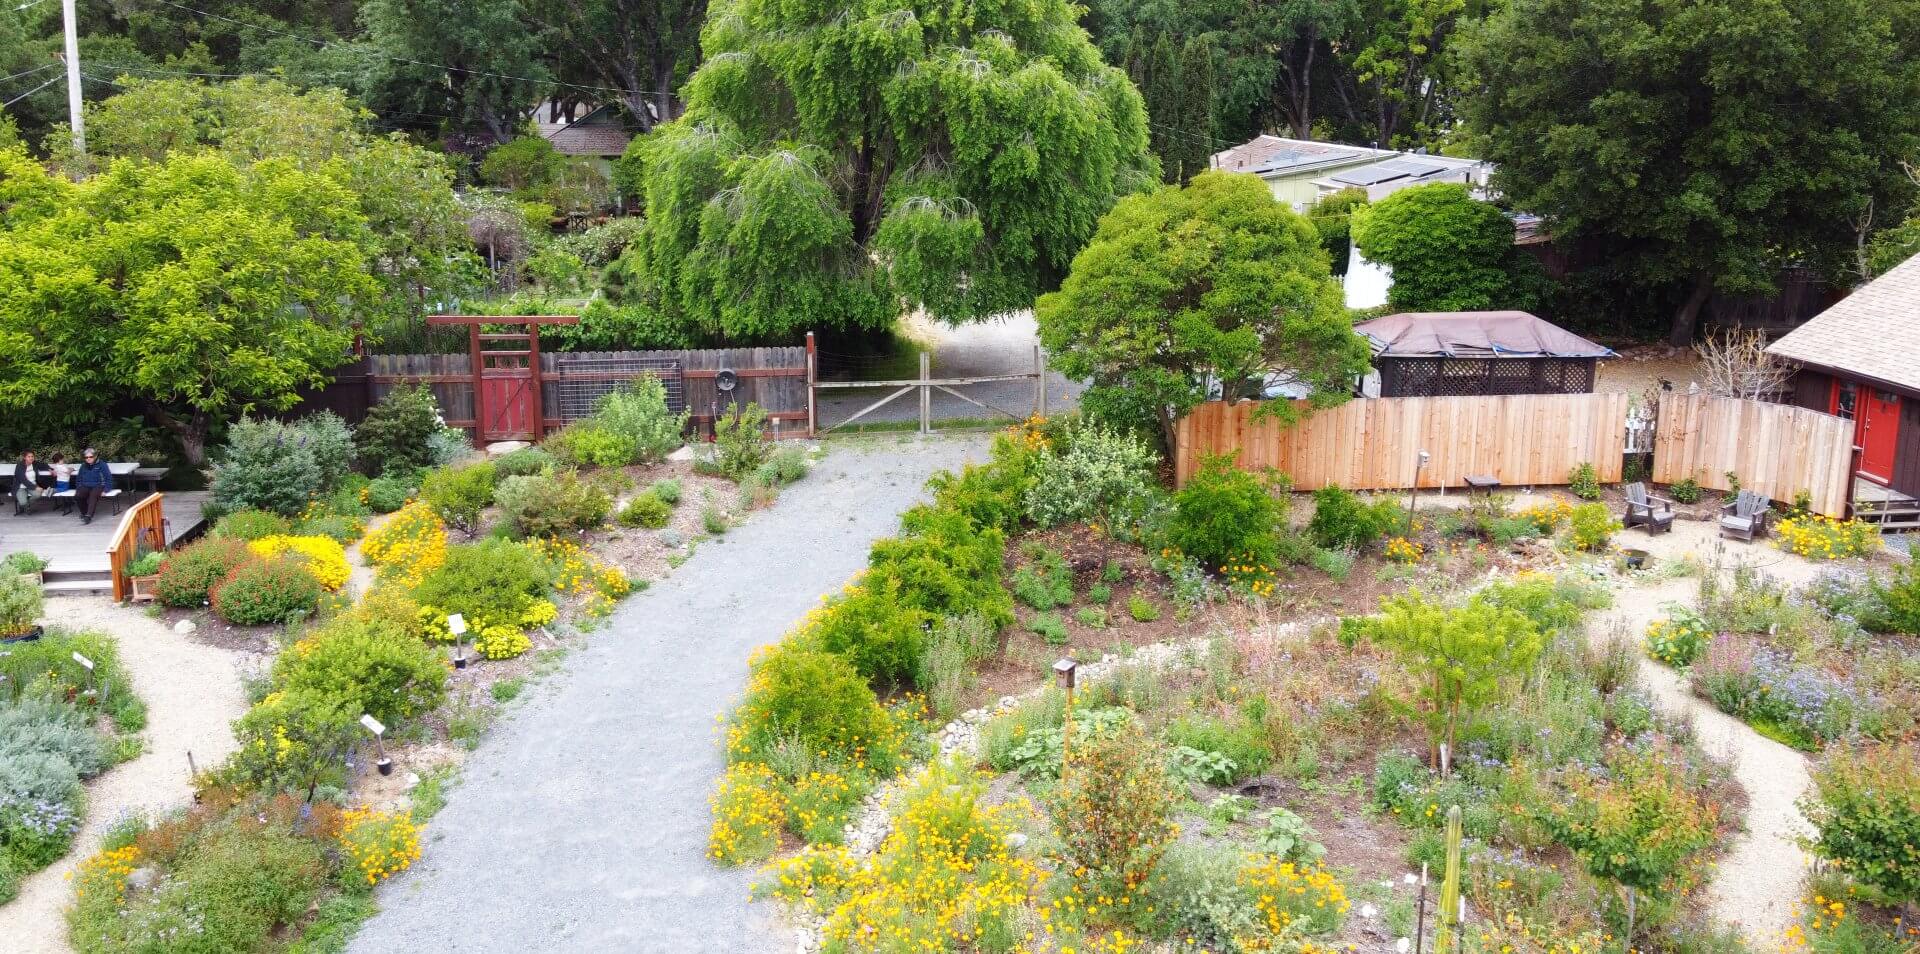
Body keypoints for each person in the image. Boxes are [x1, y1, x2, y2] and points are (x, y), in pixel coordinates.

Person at [74, 448, 112, 525]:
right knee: (78, 496)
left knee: (93, 495)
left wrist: (106, 490)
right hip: (86, 485)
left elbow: (108, 478)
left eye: (90, 457)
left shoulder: (102, 464)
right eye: (86, 457)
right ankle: (85, 512)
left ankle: (88, 516)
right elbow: (79, 478)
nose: (88, 459)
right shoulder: (83, 465)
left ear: (95, 456)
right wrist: (79, 487)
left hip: (99, 485)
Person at [11, 450, 40, 515]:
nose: (31, 458)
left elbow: (43, 465)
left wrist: (51, 469)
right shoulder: (19, 466)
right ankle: (24, 506)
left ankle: (26, 506)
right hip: (21, 487)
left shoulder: (34, 464)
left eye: (32, 456)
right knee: (23, 502)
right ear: (24, 458)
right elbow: (23, 480)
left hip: (32, 485)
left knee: (38, 494)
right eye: (29, 456)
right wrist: (35, 487)